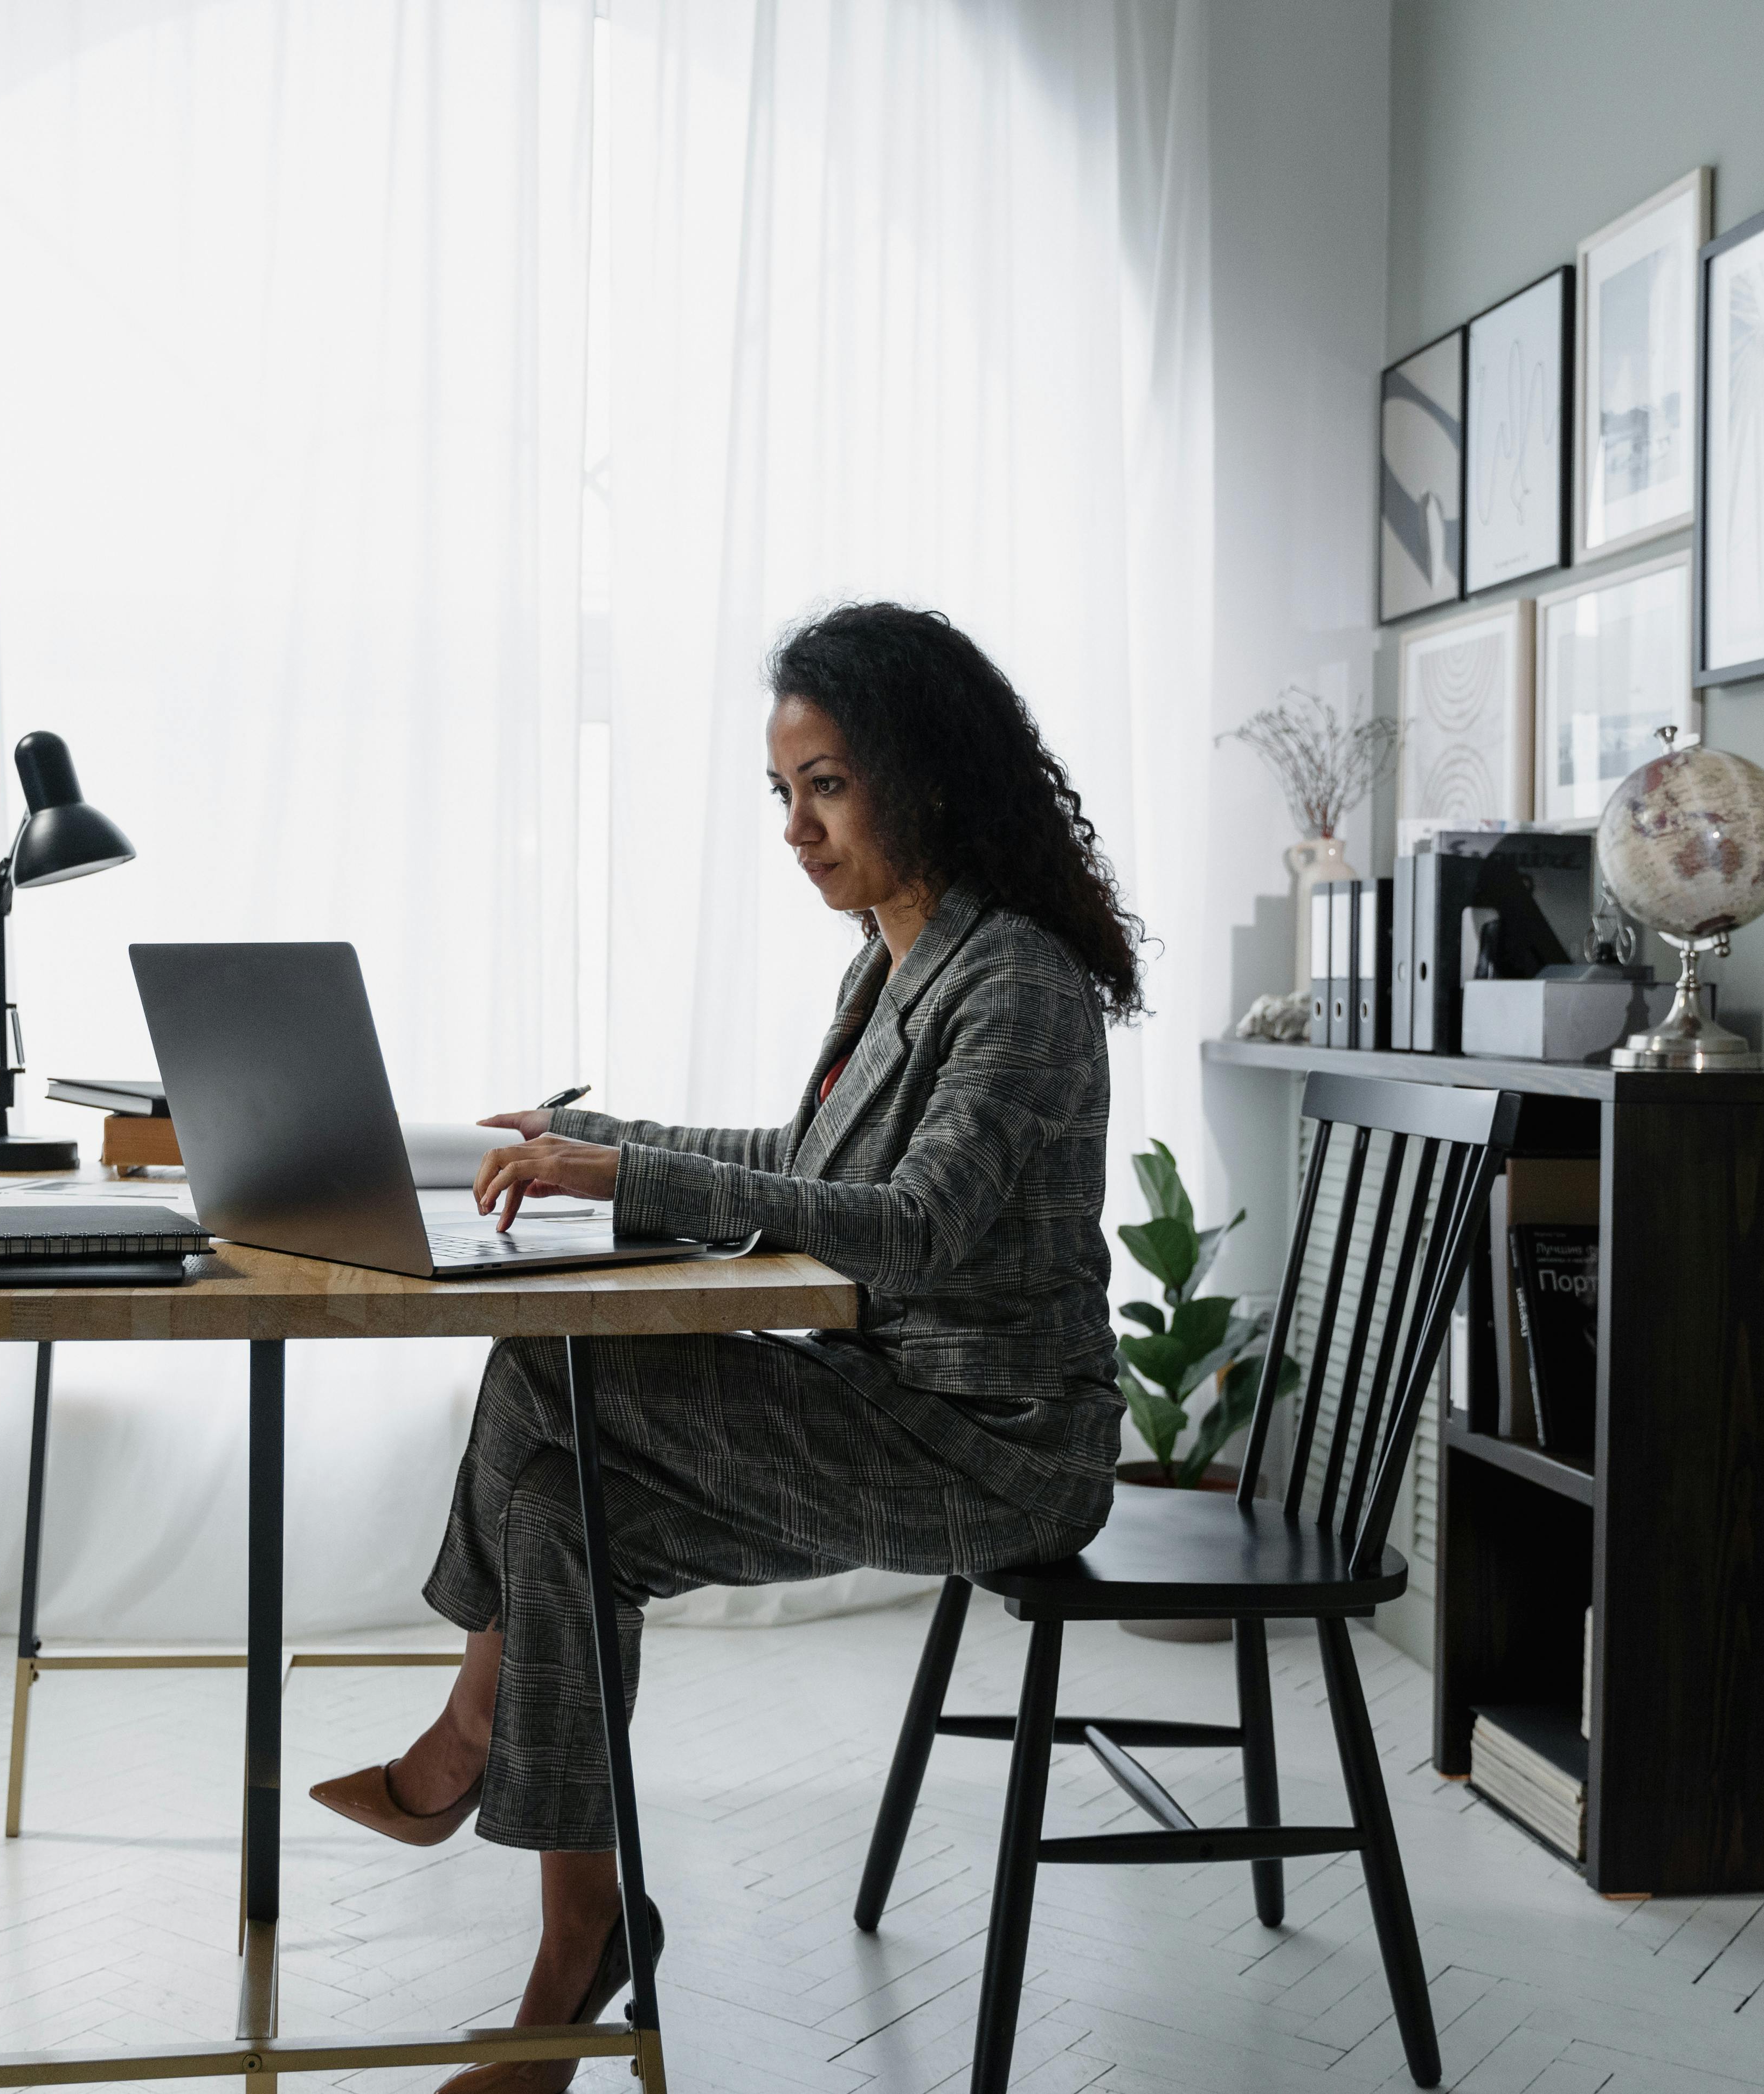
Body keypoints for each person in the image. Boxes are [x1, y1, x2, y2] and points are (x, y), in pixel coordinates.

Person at [308, 601, 1146, 2091]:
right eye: (783, 792)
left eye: (827, 785)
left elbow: (913, 1227)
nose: (796, 829)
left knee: (536, 1364)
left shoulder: (1012, 978)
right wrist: (602, 1135)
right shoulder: (896, 961)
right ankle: (578, 1949)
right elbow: (805, 1154)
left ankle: (463, 1742)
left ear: (925, 775)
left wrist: (626, 1180)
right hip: (890, 1402)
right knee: (559, 1510)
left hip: (998, 1445)